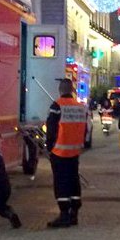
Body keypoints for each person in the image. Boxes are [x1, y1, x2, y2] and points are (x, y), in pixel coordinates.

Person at [46, 78, 87, 228]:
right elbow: (85, 129)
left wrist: (49, 146)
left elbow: (51, 129)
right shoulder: (80, 107)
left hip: (59, 152)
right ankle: (74, 213)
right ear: (71, 90)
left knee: (61, 183)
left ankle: (64, 215)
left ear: (60, 90)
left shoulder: (57, 106)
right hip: (74, 151)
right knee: (73, 181)